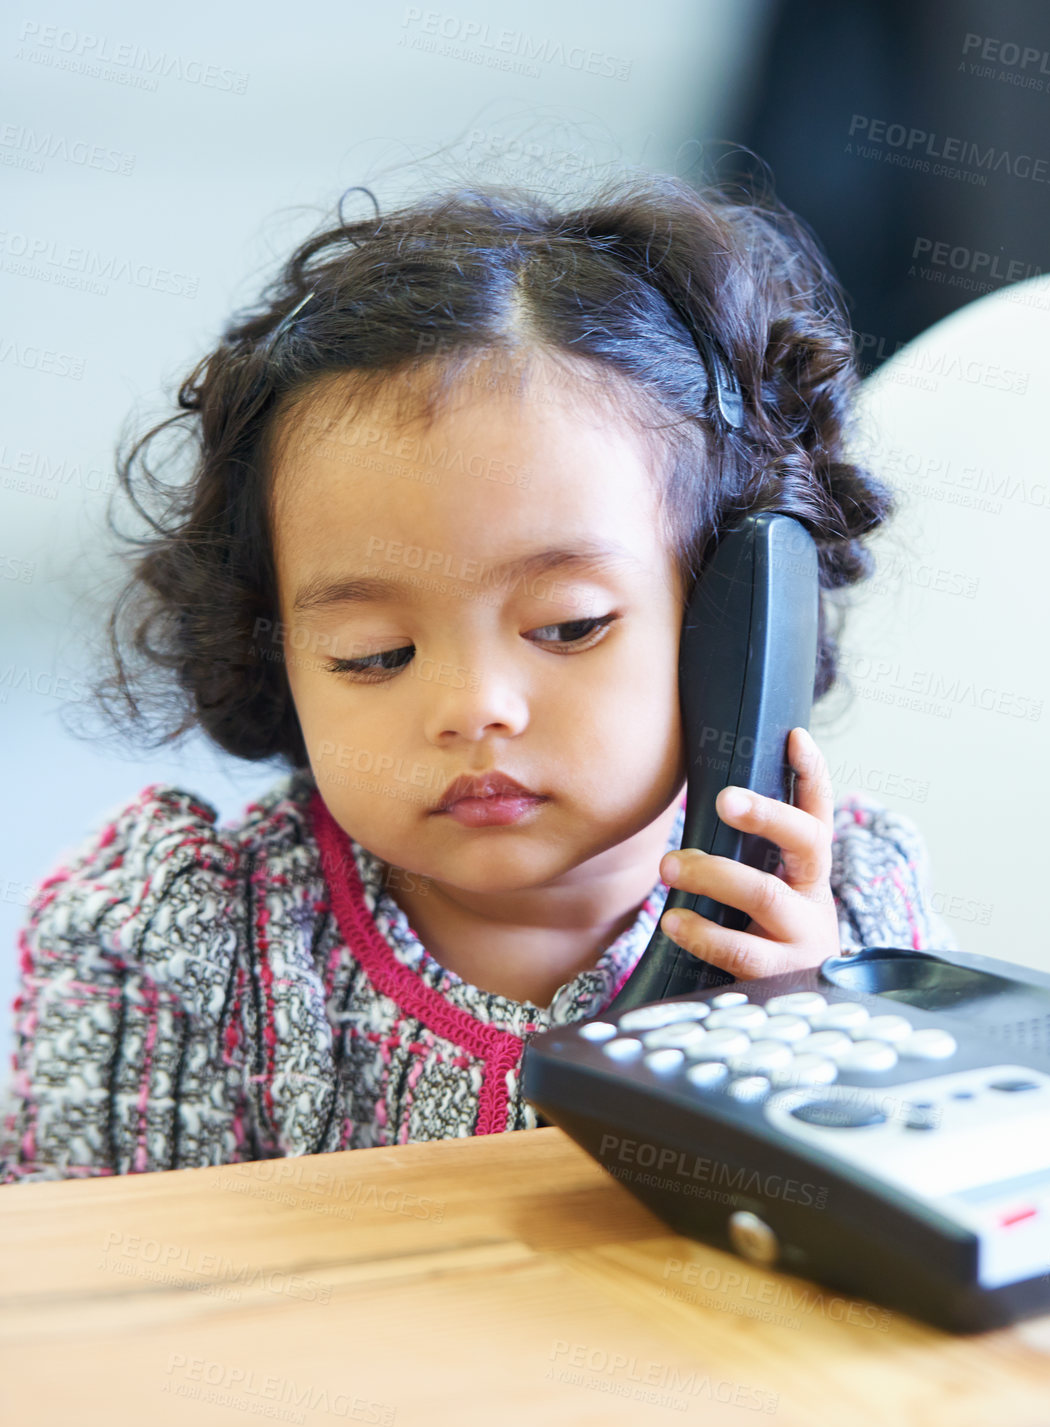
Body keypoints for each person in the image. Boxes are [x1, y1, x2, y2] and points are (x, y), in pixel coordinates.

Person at [0, 168, 954, 1183]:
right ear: (269, 647)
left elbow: (914, 1284)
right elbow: (87, 1297)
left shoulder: (850, 912)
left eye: (567, 626)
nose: (473, 708)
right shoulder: (181, 943)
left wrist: (816, 1043)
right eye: (374, 654)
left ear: (736, 616)